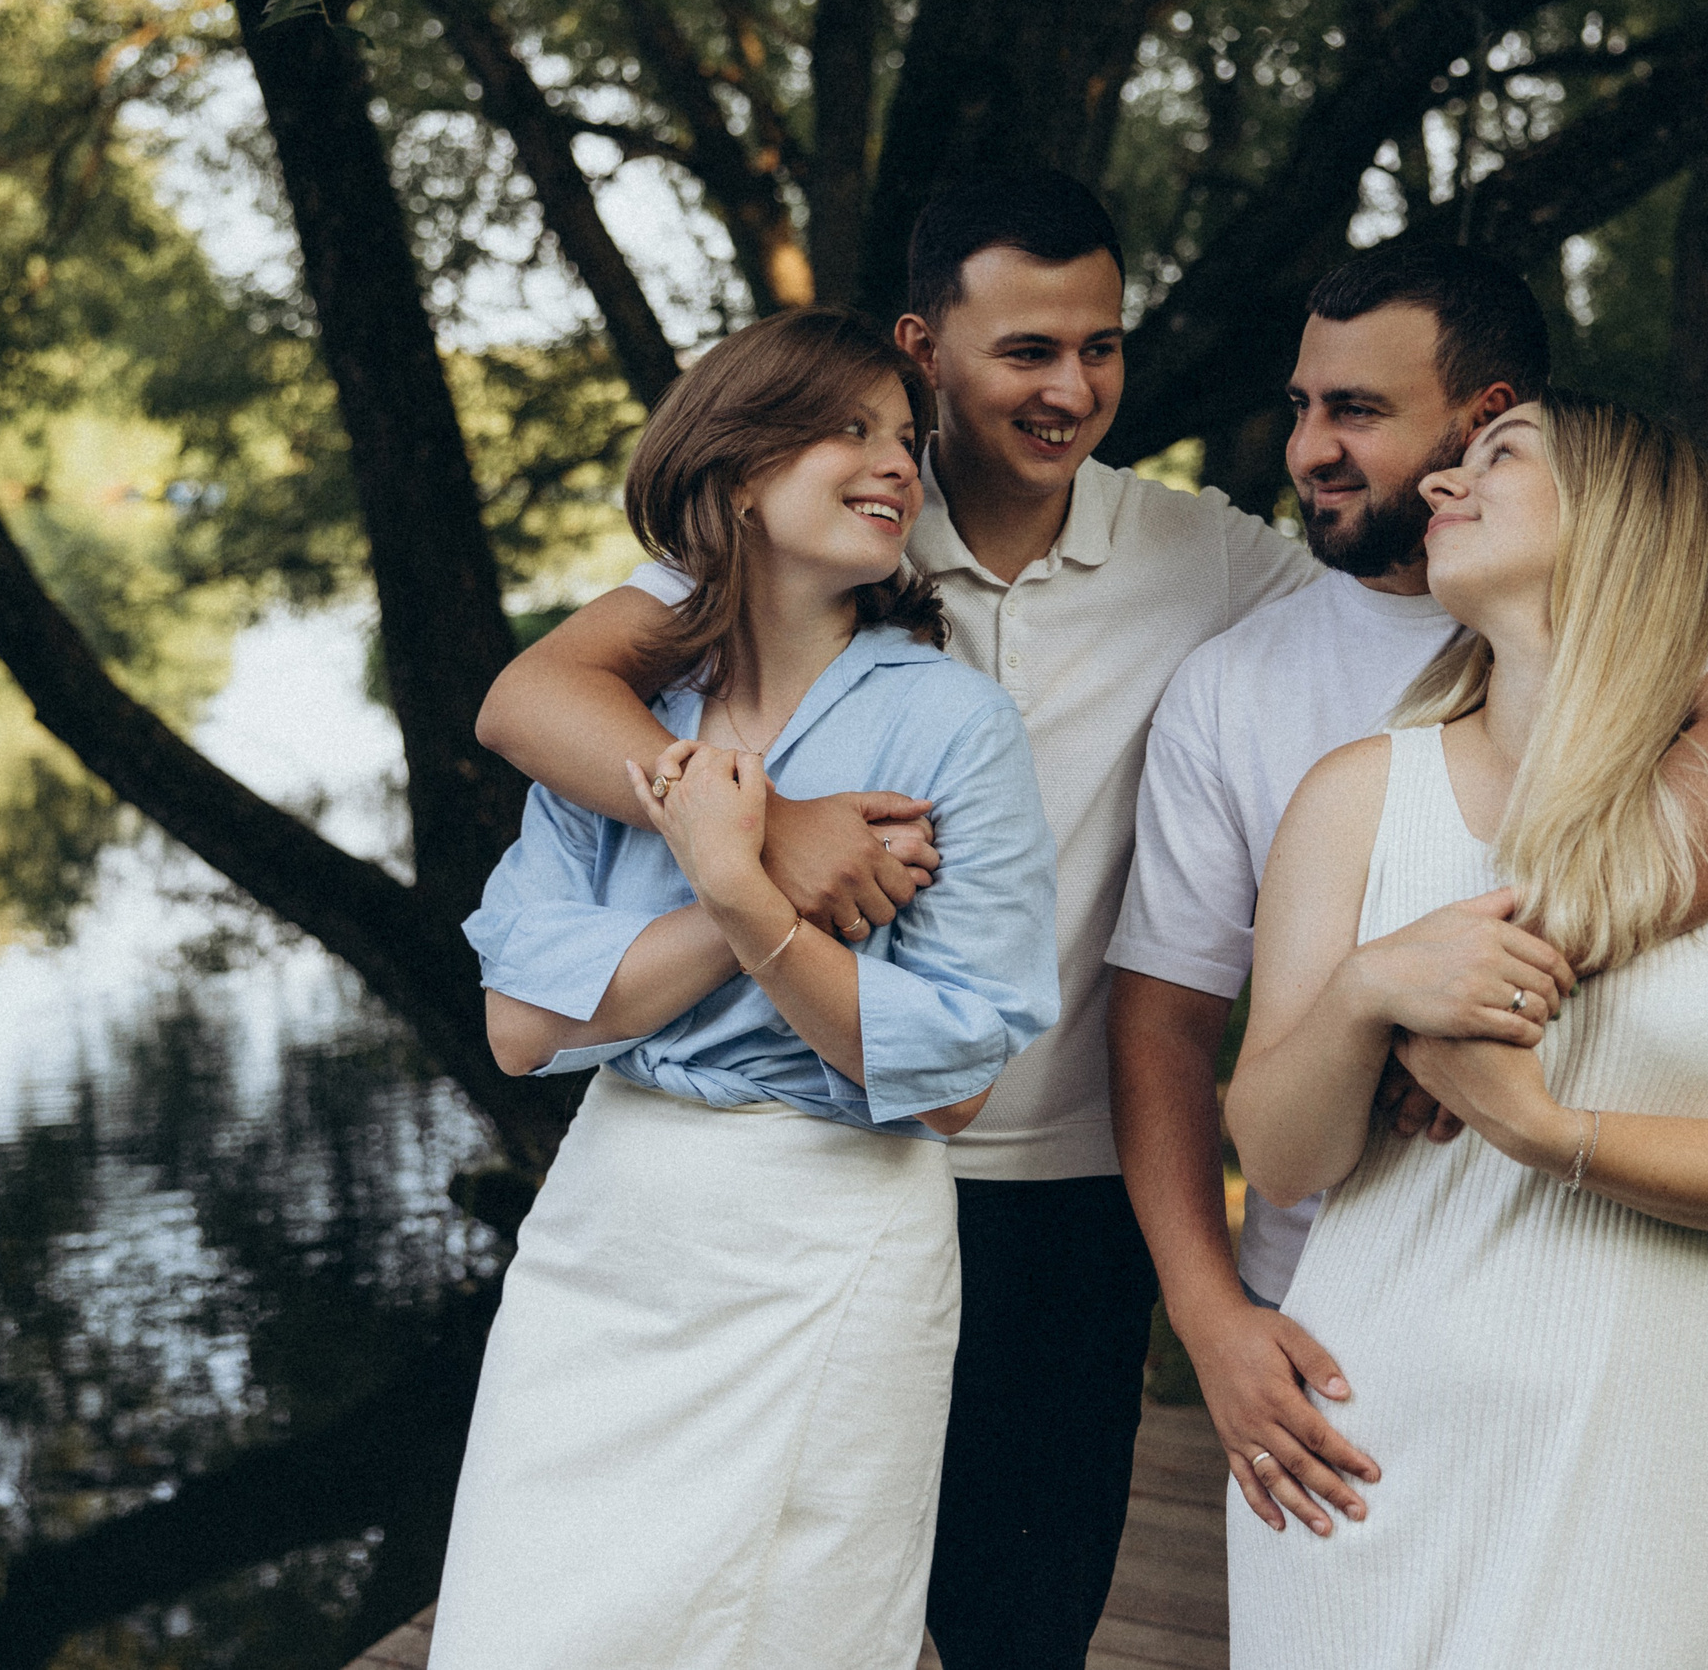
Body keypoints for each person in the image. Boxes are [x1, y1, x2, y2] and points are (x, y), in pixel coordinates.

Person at [475, 171, 1320, 1667]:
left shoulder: (1203, 556)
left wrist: (1684, 597)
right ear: (927, 349)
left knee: (1014, 1613)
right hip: (782, 1165)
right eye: (1027, 350)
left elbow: (1410, 612)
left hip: (1056, 1170)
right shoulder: (830, 526)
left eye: (1101, 347)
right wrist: (769, 834)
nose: (1072, 389)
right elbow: (531, 698)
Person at [1107, 240, 1708, 1536]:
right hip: (1340, 1326)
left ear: (1486, 416)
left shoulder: (1689, 635)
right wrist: (1210, 1312)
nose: (1309, 449)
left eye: (1357, 410)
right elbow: (1166, 1030)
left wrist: (1502, 981)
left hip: (1620, 1336)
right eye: (1300, 405)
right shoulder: (1250, 692)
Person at [428, 307, 1061, 1669]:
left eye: (906, 437)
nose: (895, 461)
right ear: (737, 472)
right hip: (608, 1225)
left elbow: (951, 1083)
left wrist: (733, 888)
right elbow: (522, 1023)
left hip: (830, 1231)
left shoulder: (956, 724)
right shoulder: (625, 717)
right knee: (524, 1623)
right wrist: (750, 862)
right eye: (848, 429)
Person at [1221, 391, 1708, 1668]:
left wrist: (1543, 1130)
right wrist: (1365, 991)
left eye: (1499, 457)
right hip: (1362, 1456)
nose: (1439, 485)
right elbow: (1283, 1156)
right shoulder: (1358, 794)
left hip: (1631, 1469)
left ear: (1618, 518)